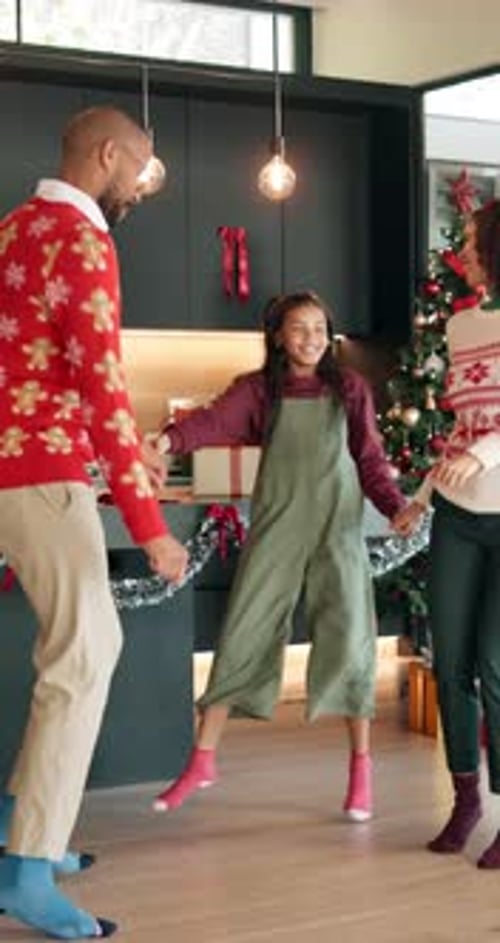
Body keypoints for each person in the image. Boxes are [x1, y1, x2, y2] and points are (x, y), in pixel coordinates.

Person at [0, 106, 187, 939]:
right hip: (39, 474)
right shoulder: (82, 239)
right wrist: (149, 524)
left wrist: (110, 457)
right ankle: (26, 869)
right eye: (138, 170)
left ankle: (21, 828)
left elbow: (42, 363)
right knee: (85, 653)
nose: (137, 188)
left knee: (66, 650)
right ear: (108, 155)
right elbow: (106, 385)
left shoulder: (13, 228)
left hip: (16, 463)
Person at [150, 290, 409, 821]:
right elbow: (213, 422)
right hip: (278, 527)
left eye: (319, 328)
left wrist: (396, 507)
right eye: (298, 328)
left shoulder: (351, 389)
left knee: (350, 638)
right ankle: (203, 760)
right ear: (278, 337)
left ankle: (361, 772)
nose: (311, 338)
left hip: (338, 530)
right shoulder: (259, 391)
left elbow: (370, 460)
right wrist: (167, 442)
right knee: (244, 629)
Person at [393, 199, 500, 868]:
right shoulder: (463, 326)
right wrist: (421, 496)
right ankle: (465, 798)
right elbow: (460, 429)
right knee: (451, 661)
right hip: (458, 515)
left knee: (495, 662)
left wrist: (485, 456)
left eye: (469, 238)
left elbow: (481, 443)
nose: (461, 248)